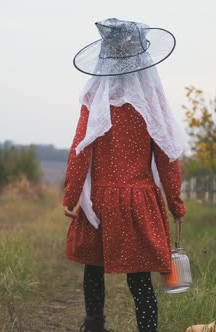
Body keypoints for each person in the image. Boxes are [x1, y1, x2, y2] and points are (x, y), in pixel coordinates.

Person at [63, 18, 187, 332]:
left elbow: (81, 149)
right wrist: (175, 203)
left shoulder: (95, 101)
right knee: (140, 275)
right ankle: (148, 329)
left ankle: (94, 325)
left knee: (93, 266)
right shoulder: (151, 103)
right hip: (139, 202)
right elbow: (166, 156)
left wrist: (71, 194)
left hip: (100, 201)